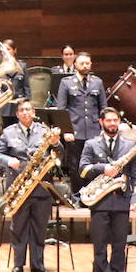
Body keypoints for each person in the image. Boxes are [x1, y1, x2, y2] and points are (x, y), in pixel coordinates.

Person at [80, 108, 136, 272]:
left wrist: (135, 199)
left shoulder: (130, 145)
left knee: (119, 245)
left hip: (122, 201)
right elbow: (82, 170)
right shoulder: (91, 144)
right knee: (99, 245)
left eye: (115, 120)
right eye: (109, 121)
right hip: (100, 201)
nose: (113, 124)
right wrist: (102, 168)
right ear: (101, 122)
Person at [0, 100, 54, 272]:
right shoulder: (8, 132)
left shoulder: (45, 132)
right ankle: (18, 263)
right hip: (18, 186)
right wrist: (8, 161)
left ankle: (37, 264)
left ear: (34, 112)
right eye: (22, 110)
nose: (26, 112)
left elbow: (59, 152)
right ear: (17, 114)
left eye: (28, 109)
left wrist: (56, 143)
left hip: (41, 186)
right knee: (18, 227)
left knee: (40, 227)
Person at [54, 51, 106, 186]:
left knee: (94, 164)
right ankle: (77, 195)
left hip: (94, 131)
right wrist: (66, 131)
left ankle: (93, 195)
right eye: (82, 63)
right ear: (75, 64)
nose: (85, 66)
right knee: (75, 165)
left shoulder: (97, 82)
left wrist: (103, 130)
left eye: (88, 63)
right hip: (74, 131)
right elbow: (61, 109)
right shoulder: (66, 82)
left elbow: (103, 109)